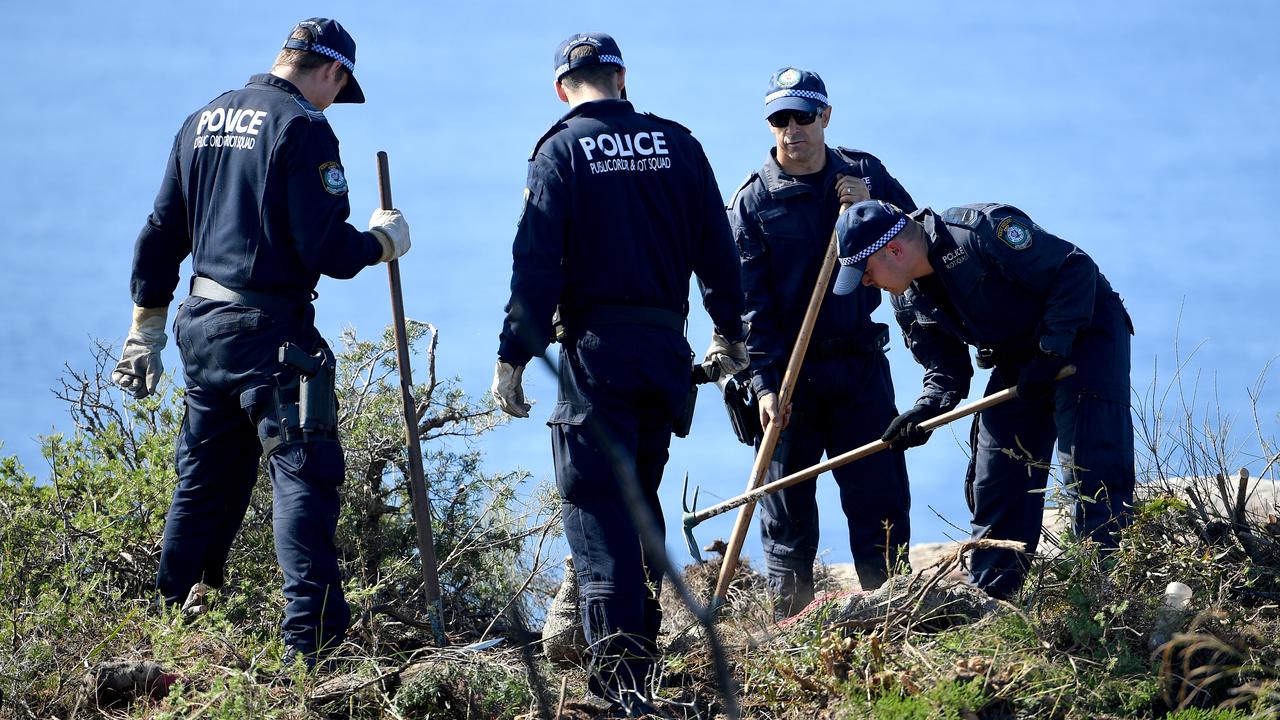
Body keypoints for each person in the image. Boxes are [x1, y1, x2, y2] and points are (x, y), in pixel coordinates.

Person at [111, 18, 411, 667]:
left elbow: (162, 231)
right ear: (331, 72)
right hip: (270, 334)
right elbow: (325, 248)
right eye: (339, 88)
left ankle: (168, 635)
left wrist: (146, 328)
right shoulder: (303, 128)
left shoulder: (203, 120)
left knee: (206, 482)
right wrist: (382, 241)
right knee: (305, 473)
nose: (334, 100)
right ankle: (313, 648)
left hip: (203, 328)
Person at [491, 32, 747, 714]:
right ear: (622, 79)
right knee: (638, 507)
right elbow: (719, 254)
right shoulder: (679, 146)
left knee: (598, 513)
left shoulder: (559, 152)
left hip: (597, 357)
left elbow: (536, 266)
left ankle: (621, 689)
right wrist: (728, 331)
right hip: (664, 354)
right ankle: (642, 668)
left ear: (561, 89)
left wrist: (512, 356)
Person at [832, 200, 1135, 599]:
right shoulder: (906, 297)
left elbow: (1074, 269)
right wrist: (927, 410)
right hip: (1021, 358)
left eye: (866, 271)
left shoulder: (980, 232)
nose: (866, 283)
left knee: (1090, 468)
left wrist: (1052, 350)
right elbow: (946, 371)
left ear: (895, 250)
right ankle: (993, 602)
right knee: (997, 474)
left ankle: (1102, 597)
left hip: (1085, 335)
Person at [726, 67, 916, 614]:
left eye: (803, 116)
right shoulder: (752, 202)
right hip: (790, 377)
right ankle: (789, 639)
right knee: (786, 519)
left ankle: (893, 620)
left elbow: (918, 238)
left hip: (859, 366)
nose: (792, 129)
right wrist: (763, 386)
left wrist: (873, 204)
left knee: (879, 507)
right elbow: (750, 309)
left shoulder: (865, 173)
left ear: (825, 116)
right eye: (780, 119)